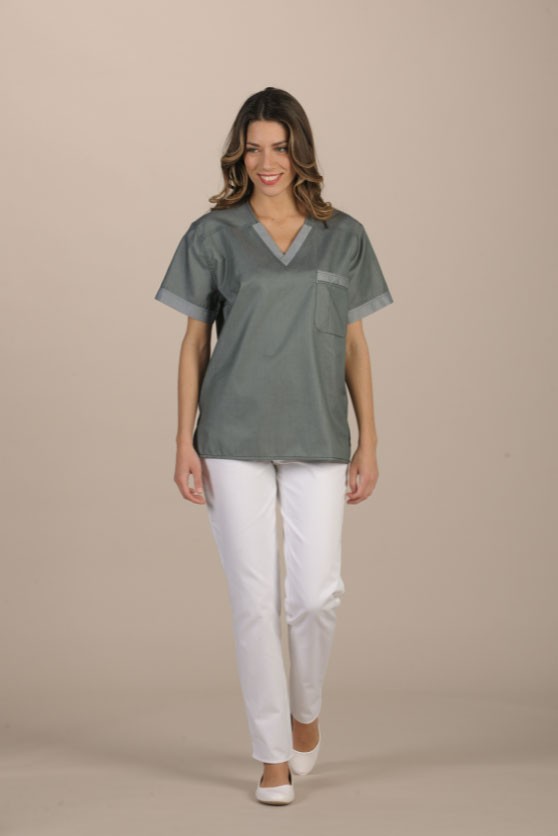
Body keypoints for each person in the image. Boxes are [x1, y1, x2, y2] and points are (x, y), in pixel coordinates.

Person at [154, 87, 394, 806]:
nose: (267, 162)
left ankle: (305, 713)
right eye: (254, 148)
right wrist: (184, 440)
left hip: (319, 433)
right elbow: (194, 343)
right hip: (232, 436)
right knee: (254, 601)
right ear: (239, 154)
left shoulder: (344, 235)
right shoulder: (212, 235)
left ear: (300, 153)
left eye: (280, 148)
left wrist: (370, 441)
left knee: (315, 596)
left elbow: (355, 345)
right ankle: (271, 756)